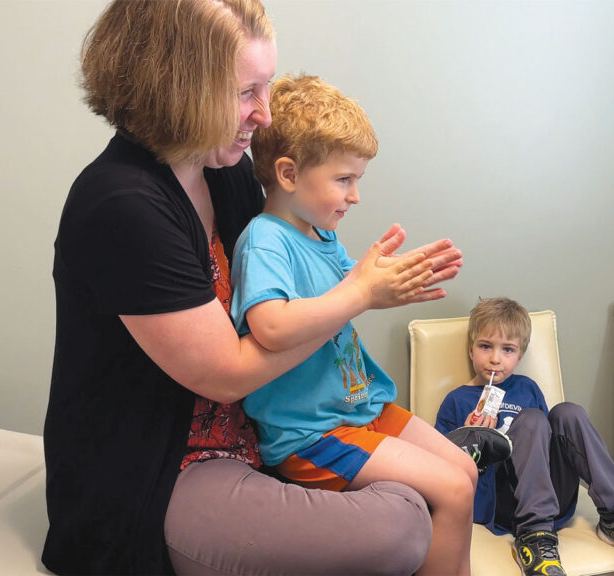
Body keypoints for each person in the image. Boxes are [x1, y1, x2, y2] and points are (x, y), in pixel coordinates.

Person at [43, 2, 461, 574]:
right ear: (176, 88)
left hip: (259, 432)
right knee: (402, 522)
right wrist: (358, 297)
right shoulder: (122, 205)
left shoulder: (228, 171)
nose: (263, 116)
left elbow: (296, 285)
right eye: (246, 92)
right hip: (162, 472)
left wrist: (378, 282)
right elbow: (227, 372)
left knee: (438, 486)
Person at [231, 73, 475, 576]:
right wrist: (362, 290)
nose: (355, 195)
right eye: (345, 180)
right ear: (289, 174)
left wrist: (392, 281)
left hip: (361, 408)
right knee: (450, 490)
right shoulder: (265, 241)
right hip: (312, 434)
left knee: (466, 469)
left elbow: (352, 293)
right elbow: (270, 328)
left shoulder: (321, 235)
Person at [436, 297, 614, 576]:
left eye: (508, 349)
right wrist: (471, 440)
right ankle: (534, 536)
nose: (495, 358)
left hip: (550, 499)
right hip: (503, 506)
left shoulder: (528, 389)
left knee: (567, 412)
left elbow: (549, 446)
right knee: (533, 419)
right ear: (471, 348)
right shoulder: (456, 401)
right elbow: (440, 470)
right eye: (485, 346)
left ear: (520, 356)